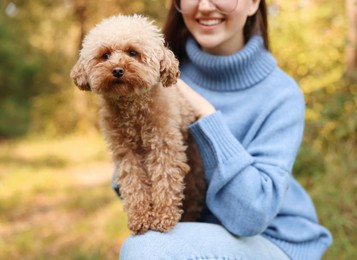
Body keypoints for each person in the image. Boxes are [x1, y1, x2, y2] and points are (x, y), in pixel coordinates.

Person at [116, 0, 333, 259]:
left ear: (254, 4)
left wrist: (205, 115)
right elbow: (126, 181)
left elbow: (250, 218)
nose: (205, 6)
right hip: (197, 235)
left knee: (148, 248)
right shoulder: (149, 71)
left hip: (272, 239)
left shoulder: (282, 95)